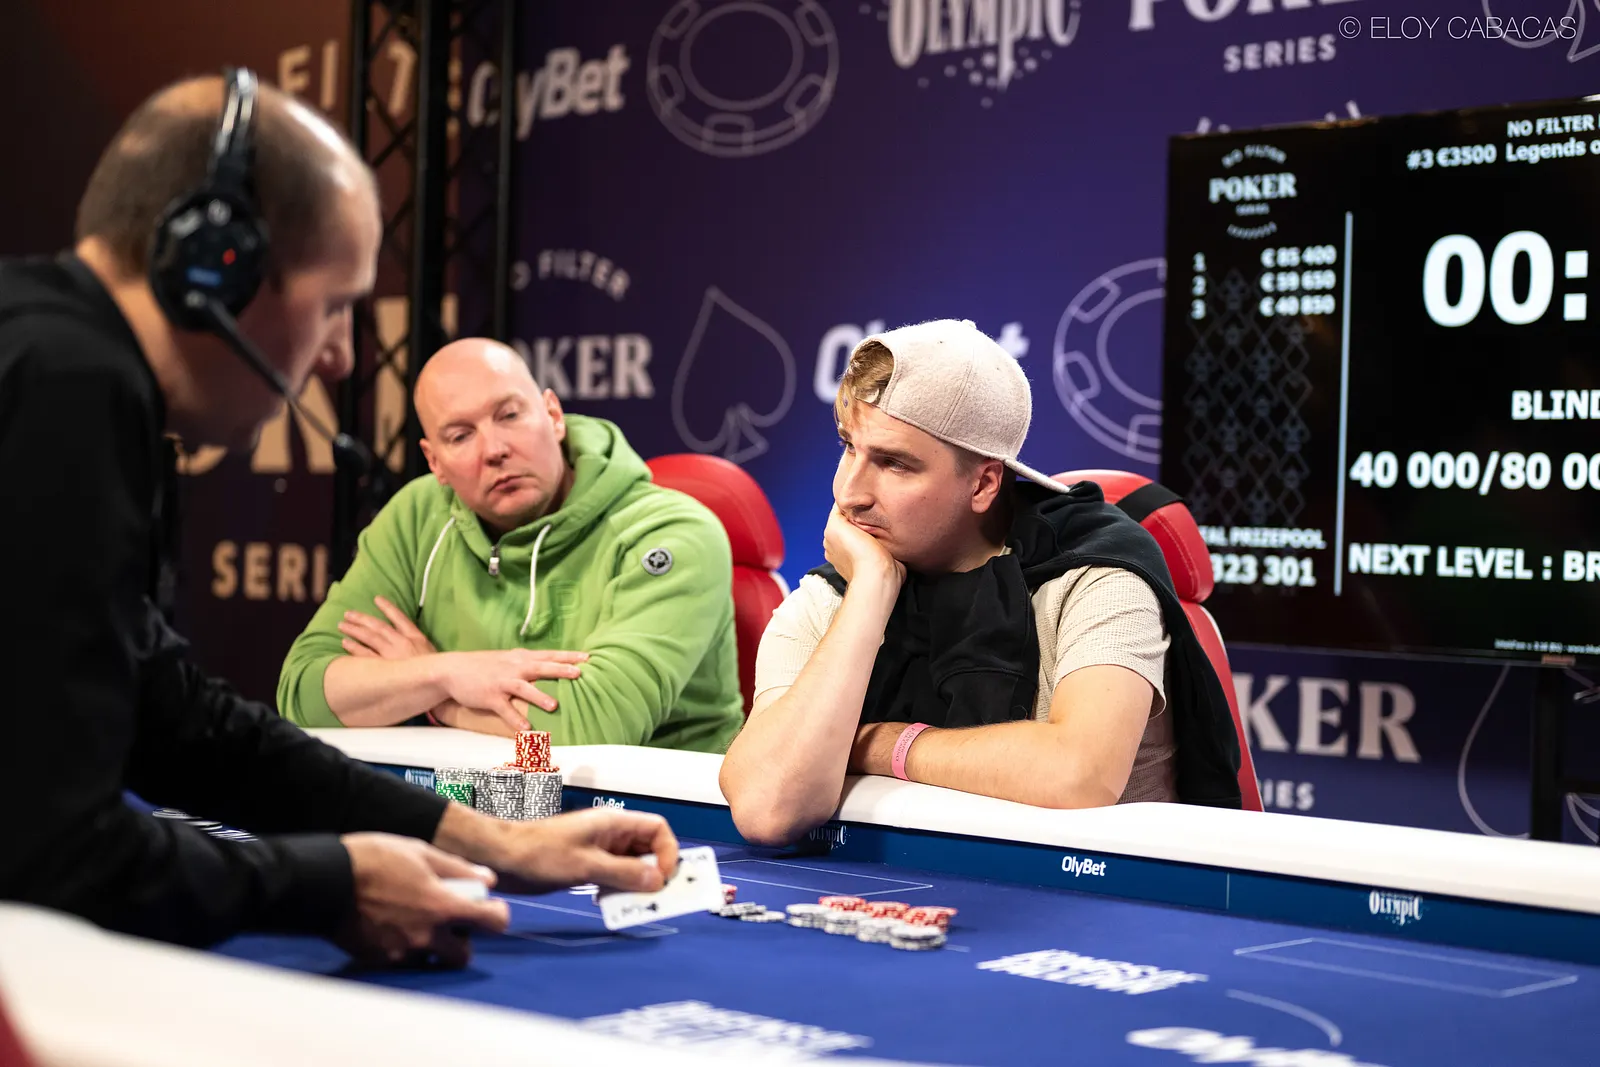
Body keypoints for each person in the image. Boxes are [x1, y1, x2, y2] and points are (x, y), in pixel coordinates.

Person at [0, 71, 680, 964]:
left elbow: (174, 720)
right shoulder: (67, 387)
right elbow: (47, 848)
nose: (339, 358)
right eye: (333, 307)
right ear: (217, 269)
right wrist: (329, 884)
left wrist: (491, 841)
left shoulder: (57, 357)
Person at [719, 319, 1241, 845]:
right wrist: (871, 592)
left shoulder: (1096, 575)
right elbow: (768, 808)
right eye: (849, 447)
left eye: (894, 464)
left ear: (984, 484)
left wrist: (880, 744)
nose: (850, 493)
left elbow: (1080, 774)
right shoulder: (837, 590)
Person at [276, 337, 745, 751]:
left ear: (553, 415)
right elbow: (305, 692)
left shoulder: (672, 532)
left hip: (665, 810)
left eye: (509, 415)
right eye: (461, 435)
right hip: (478, 802)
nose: (494, 449)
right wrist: (447, 674)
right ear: (434, 462)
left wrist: (430, 694)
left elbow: (593, 724)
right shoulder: (417, 517)